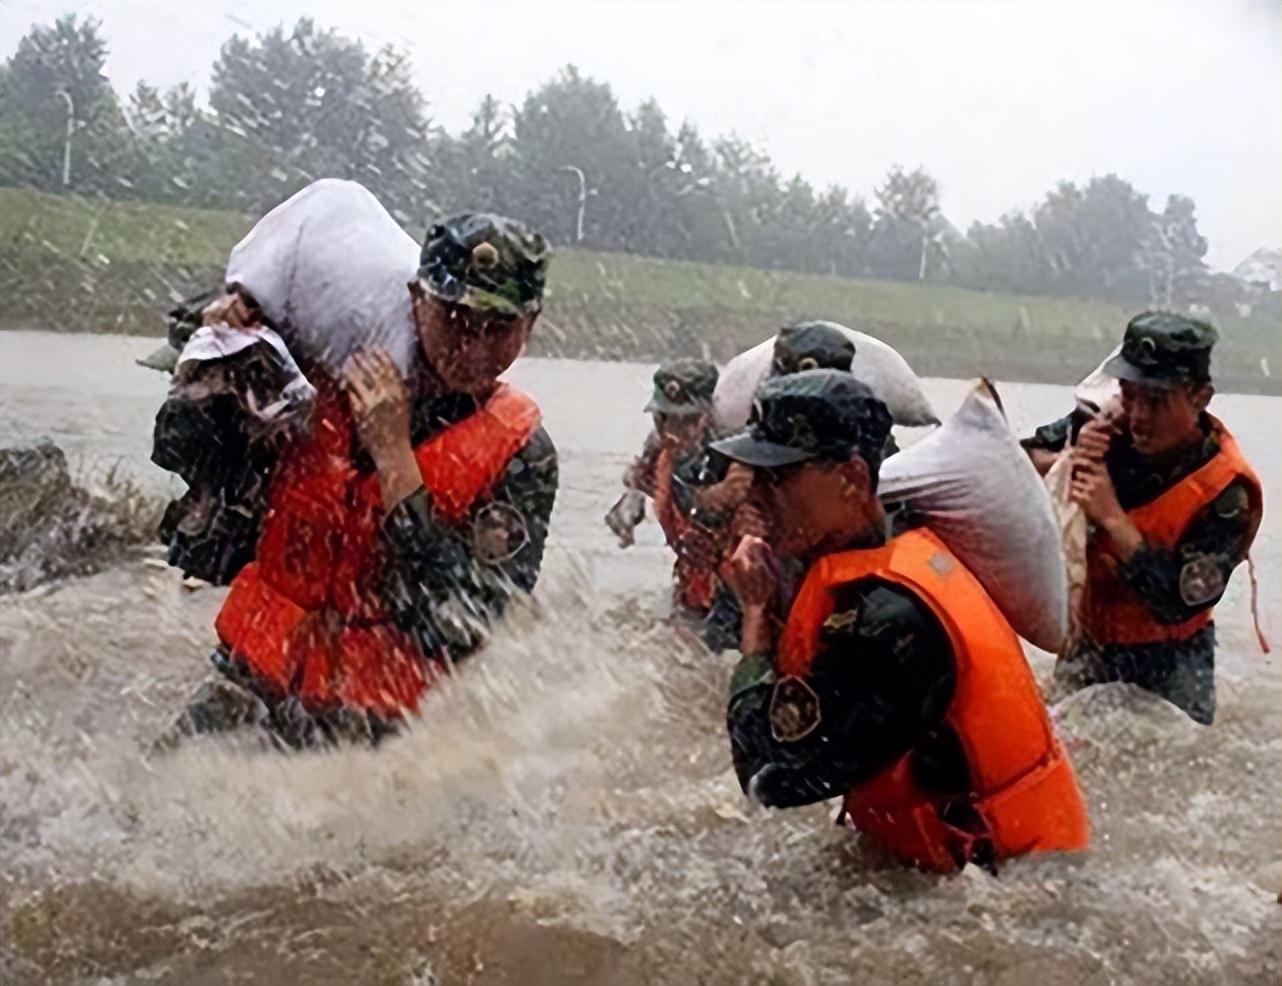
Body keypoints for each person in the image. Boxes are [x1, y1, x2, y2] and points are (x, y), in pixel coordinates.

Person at [163, 213, 557, 749]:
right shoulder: (312, 368)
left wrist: (395, 460)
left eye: (499, 331)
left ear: (529, 327)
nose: (474, 351)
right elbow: (176, 448)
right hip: (250, 681)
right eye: (456, 322)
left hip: (377, 731)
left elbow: (469, 624)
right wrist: (214, 346)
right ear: (417, 298)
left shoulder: (522, 455)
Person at [715, 369, 1089, 873]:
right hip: (945, 861)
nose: (754, 493)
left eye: (778, 476)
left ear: (850, 478)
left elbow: (770, 777)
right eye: (754, 474)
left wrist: (756, 622)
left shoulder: (890, 624)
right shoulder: (879, 541)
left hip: (1009, 878)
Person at [1024, 312, 1262, 725]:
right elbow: (1012, 462)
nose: (1138, 417)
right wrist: (1069, 458)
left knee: (1179, 760)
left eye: (1157, 402)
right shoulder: (1097, 425)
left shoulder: (1227, 491)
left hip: (1172, 659)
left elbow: (1177, 602)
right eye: (1129, 395)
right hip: (1088, 644)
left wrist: (1111, 517)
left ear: (1200, 397)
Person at [606, 359, 724, 616]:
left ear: (708, 416)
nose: (672, 431)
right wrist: (631, 501)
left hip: (730, 596)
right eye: (663, 419)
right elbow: (637, 480)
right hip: (690, 586)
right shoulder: (658, 449)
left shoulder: (729, 462)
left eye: (687, 420)